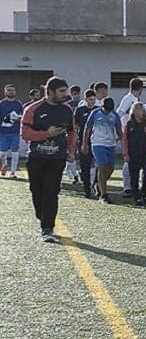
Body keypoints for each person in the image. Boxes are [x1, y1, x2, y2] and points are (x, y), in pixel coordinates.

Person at [20, 76, 75, 242]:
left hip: (57, 158)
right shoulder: (33, 109)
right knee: (37, 191)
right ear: (50, 92)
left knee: (52, 192)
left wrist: (71, 150)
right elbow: (25, 134)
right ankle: (43, 217)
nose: (65, 94)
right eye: (62, 91)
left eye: (66, 91)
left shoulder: (67, 110)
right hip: (37, 158)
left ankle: (47, 228)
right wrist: (46, 134)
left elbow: (72, 132)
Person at [83, 97, 121, 204]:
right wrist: (84, 144)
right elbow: (88, 129)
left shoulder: (115, 115)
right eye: (106, 110)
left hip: (111, 145)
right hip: (98, 143)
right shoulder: (95, 113)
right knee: (102, 166)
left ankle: (98, 184)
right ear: (102, 107)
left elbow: (119, 130)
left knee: (110, 169)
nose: (108, 112)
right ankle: (104, 195)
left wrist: (125, 144)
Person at [122, 102, 146, 205]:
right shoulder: (129, 124)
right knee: (134, 175)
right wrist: (125, 153)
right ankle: (136, 195)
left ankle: (144, 191)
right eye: (136, 110)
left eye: (140, 110)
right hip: (133, 153)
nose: (139, 112)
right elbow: (125, 139)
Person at [116, 77, 144, 197]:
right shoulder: (128, 99)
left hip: (135, 132)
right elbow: (119, 113)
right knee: (128, 159)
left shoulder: (135, 99)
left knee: (134, 159)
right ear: (141, 89)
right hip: (127, 132)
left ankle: (132, 185)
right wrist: (118, 130)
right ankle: (127, 187)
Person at [72, 89, 98, 198]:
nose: (92, 101)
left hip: (97, 141)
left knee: (98, 166)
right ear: (86, 99)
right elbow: (74, 124)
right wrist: (75, 137)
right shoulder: (80, 110)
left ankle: (97, 187)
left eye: (94, 99)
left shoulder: (98, 110)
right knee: (85, 166)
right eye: (90, 99)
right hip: (83, 142)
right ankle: (87, 189)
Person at [0, 84, 25, 178]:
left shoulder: (18, 104)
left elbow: (23, 116)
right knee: (2, 153)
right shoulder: (1, 104)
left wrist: (18, 118)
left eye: (13, 90)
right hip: (3, 132)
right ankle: (4, 164)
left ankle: (13, 172)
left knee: (15, 150)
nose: (11, 92)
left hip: (15, 132)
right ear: (5, 92)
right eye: (9, 90)